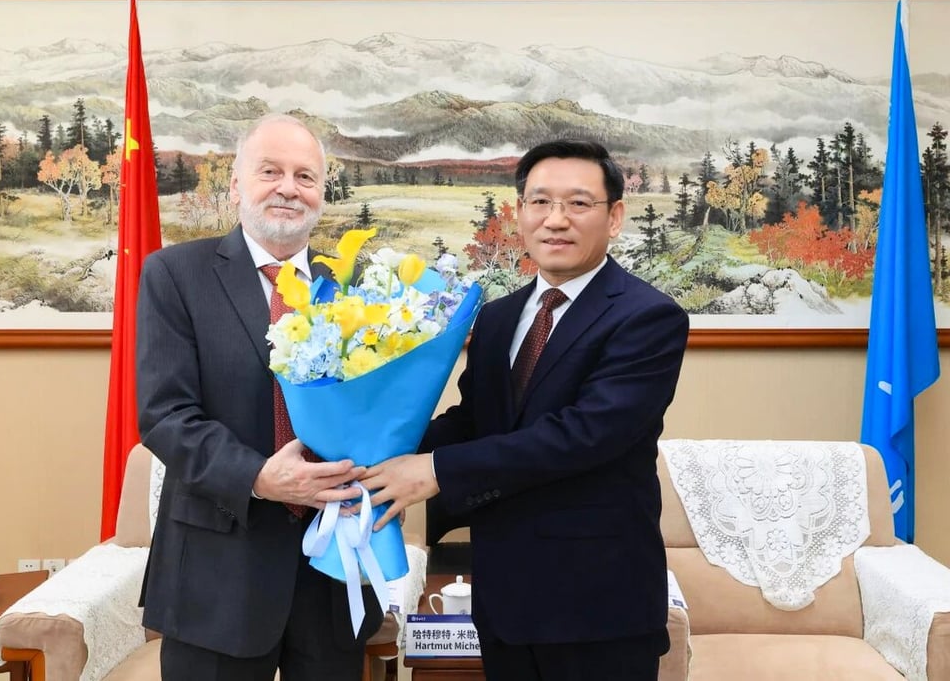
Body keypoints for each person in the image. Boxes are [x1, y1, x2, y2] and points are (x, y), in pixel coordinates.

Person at [362, 139, 689, 680]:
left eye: (578, 204)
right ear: (519, 214)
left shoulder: (648, 317)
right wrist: (375, 448)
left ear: (615, 217)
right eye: (539, 202)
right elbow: (475, 421)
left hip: (600, 606)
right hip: (506, 600)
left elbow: (584, 435)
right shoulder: (496, 318)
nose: (555, 220)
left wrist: (436, 472)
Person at [135, 114, 382, 681]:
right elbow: (165, 414)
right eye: (270, 171)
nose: (288, 187)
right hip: (218, 573)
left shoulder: (359, 288)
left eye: (305, 176)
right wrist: (259, 477)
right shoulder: (175, 274)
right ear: (235, 185)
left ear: (322, 192)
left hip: (331, 568)